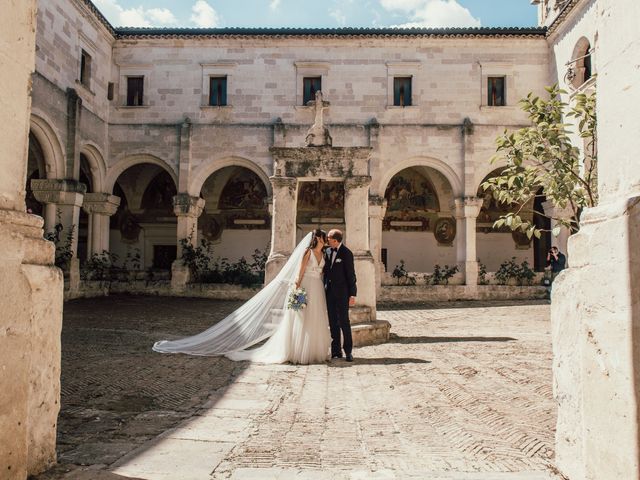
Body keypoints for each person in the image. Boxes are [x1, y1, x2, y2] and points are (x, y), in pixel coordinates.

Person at [153, 230, 331, 365]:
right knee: (301, 318)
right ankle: (298, 352)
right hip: (306, 285)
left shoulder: (323, 254)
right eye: (325, 238)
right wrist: (297, 288)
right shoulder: (307, 252)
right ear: (319, 239)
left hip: (317, 287)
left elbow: (321, 271)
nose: (326, 242)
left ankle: (313, 351)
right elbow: (299, 272)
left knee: (314, 318)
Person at [323, 229, 357, 362]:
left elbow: (351, 275)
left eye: (329, 239)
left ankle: (348, 351)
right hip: (329, 292)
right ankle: (336, 351)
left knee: (344, 322)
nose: (327, 241)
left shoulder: (347, 253)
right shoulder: (327, 251)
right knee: (333, 322)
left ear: (335, 240)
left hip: (343, 293)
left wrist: (352, 294)